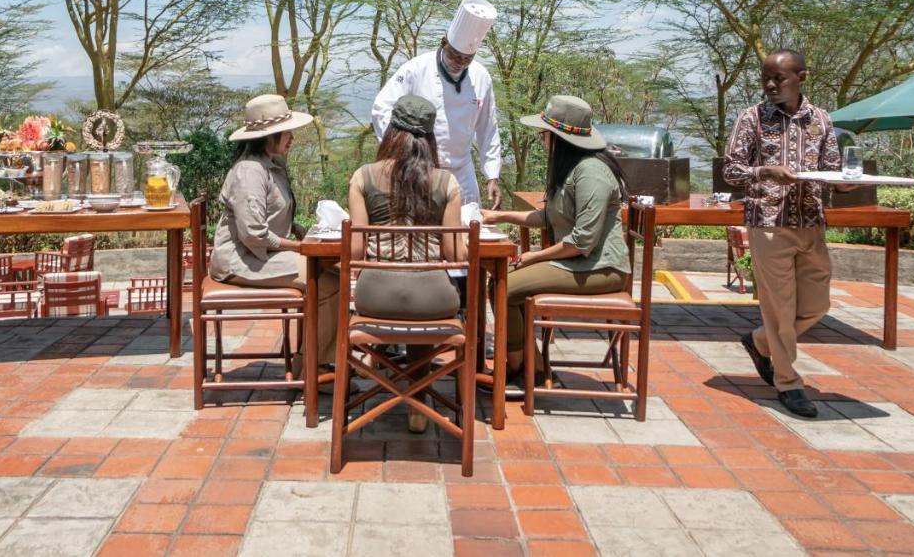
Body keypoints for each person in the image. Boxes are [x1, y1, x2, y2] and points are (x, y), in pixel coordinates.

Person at [482, 96, 630, 393]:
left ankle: (518, 369)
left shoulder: (592, 173)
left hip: (600, 268)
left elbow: (582, 241)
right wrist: (499, 216)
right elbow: (549, 217)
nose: (542, 140)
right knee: (504, 283)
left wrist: (534, 257)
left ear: (558, 138)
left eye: (544, 134)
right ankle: (531, 368)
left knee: (504, 286)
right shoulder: (572, 169)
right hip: (579, 262)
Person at [723, 50, 841, 419]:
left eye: (780, 78)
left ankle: (759, 342)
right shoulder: (751, 118)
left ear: (801, 77)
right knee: (780, 311)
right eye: (766, 79)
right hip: (768, 224)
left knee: (818, 305)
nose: (771, 85)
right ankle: (788, 383)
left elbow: (832, 168)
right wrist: (764, 173)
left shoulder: (821, 119)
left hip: (812, 223)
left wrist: (848, 183)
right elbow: (731, 170)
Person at [347, 94, 467, 433]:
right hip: (434, 300)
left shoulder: (363, 177)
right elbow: (456, 254)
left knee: (405, 296)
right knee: (422, 296)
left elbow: (355, 253)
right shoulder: (447, 182)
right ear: (429, 138)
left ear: (391, 133)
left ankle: (381, 380)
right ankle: (418, 403)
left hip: (374, 297)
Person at [210, 94, 339, 371]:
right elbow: (253, 233)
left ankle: (315, 359)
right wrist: (299, 248)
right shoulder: (249, 172)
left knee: (332, 276)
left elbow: (276, 215)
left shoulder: (273, 165)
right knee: (329, 282)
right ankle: (314, 366)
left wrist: (305, 232)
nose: (291, 137)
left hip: (263, 255)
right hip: (243, 260)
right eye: (286, 132)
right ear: (268, 136)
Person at [371, 0, 503, 209]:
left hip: (462, 173)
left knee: (466, 235)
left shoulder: (481, 76)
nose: (460, 63)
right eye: (455, 56)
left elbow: (488, 128)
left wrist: (492, 175)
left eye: (467, 58)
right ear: (443, 43)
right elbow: (381, 108)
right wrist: (401, 151)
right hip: (420, 170)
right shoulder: (416, 69)